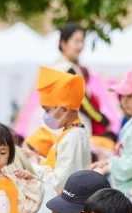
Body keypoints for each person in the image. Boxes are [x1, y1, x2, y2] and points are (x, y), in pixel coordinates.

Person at [32, 66, 91, 195]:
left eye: (48, 110)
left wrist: (32, 167)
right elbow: (60, 167)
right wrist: (38, 159)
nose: (46, 115)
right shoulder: (70, 133)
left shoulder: (73, 137)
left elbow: (59, 183)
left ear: (64, 110)